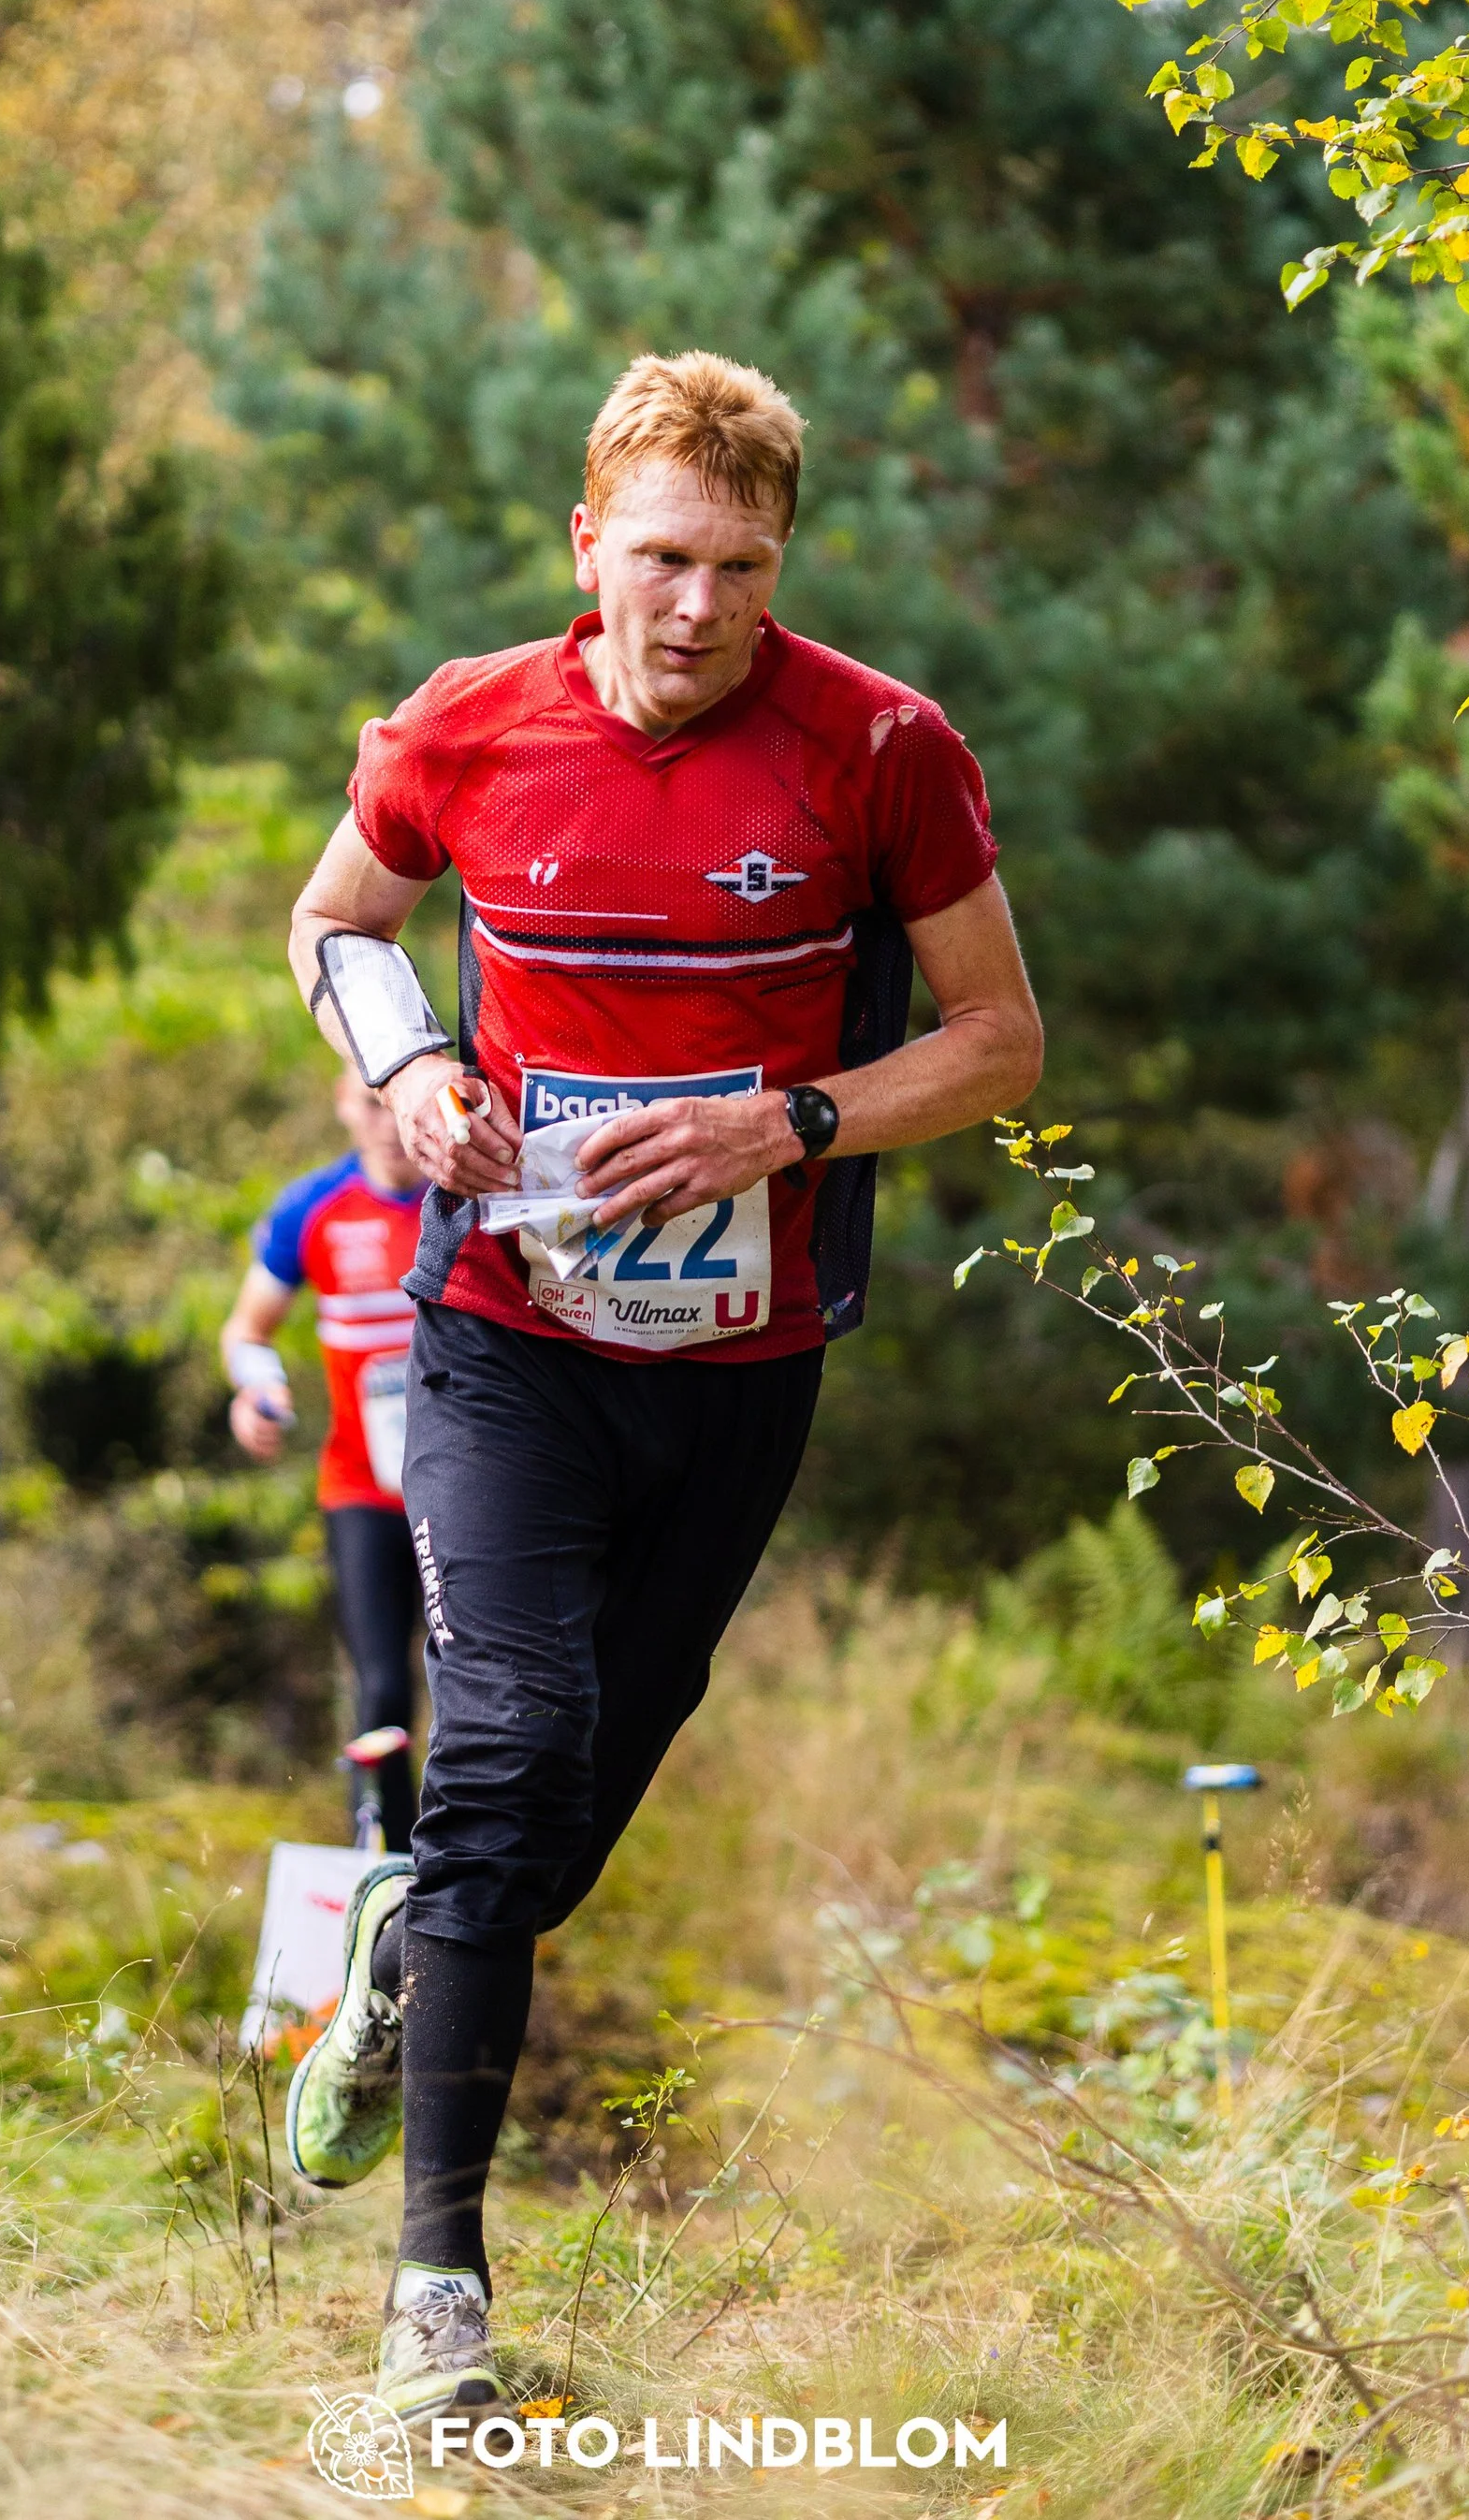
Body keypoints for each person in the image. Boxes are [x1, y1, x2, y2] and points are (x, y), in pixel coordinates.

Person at [280, 349, 1042, 2422]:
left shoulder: (877, 744)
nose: (693, 603)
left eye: (737, 562)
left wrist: (781, 1123)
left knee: (567, 1807)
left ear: (777, 559)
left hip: (736, 1366)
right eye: (657, 556)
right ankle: (433, 2300)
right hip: (503, 1335)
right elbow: (336, 922)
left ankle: (401, 1946)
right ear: (582, 545)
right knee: (509, 1751)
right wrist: (412, 1064)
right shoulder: (465, 721)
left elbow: (994, 1043)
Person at [222, 1064, 429, 1847]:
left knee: (477, 1688)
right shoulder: (314, 1208)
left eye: (397, 1103)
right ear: (344, 1104)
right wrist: (258, 1392)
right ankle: (383, 1861)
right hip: (362, 1491)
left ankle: (473, 1870)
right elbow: (247, 1331)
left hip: (471, 1490)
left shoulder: (471, 1197)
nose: (388, 1120)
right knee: (380, 1682)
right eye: (371, 1102)